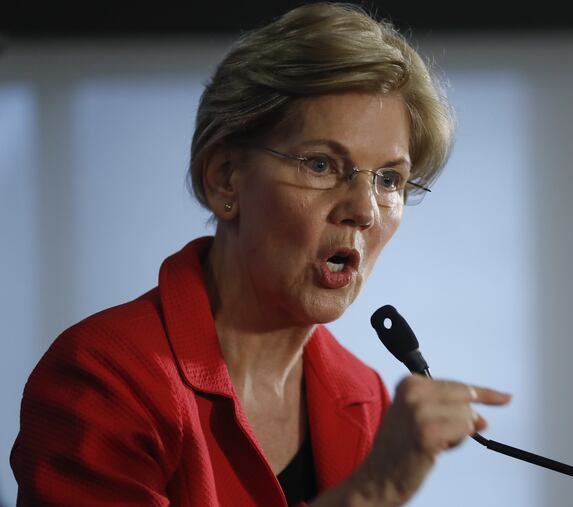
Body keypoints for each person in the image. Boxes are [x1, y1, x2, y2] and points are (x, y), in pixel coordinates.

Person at [11, 3, 511, 506]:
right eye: (321, 164)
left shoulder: (364, 398)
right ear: (225, 178)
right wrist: (369, 493)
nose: (363, 210)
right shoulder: (104, 378)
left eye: (389, 180)